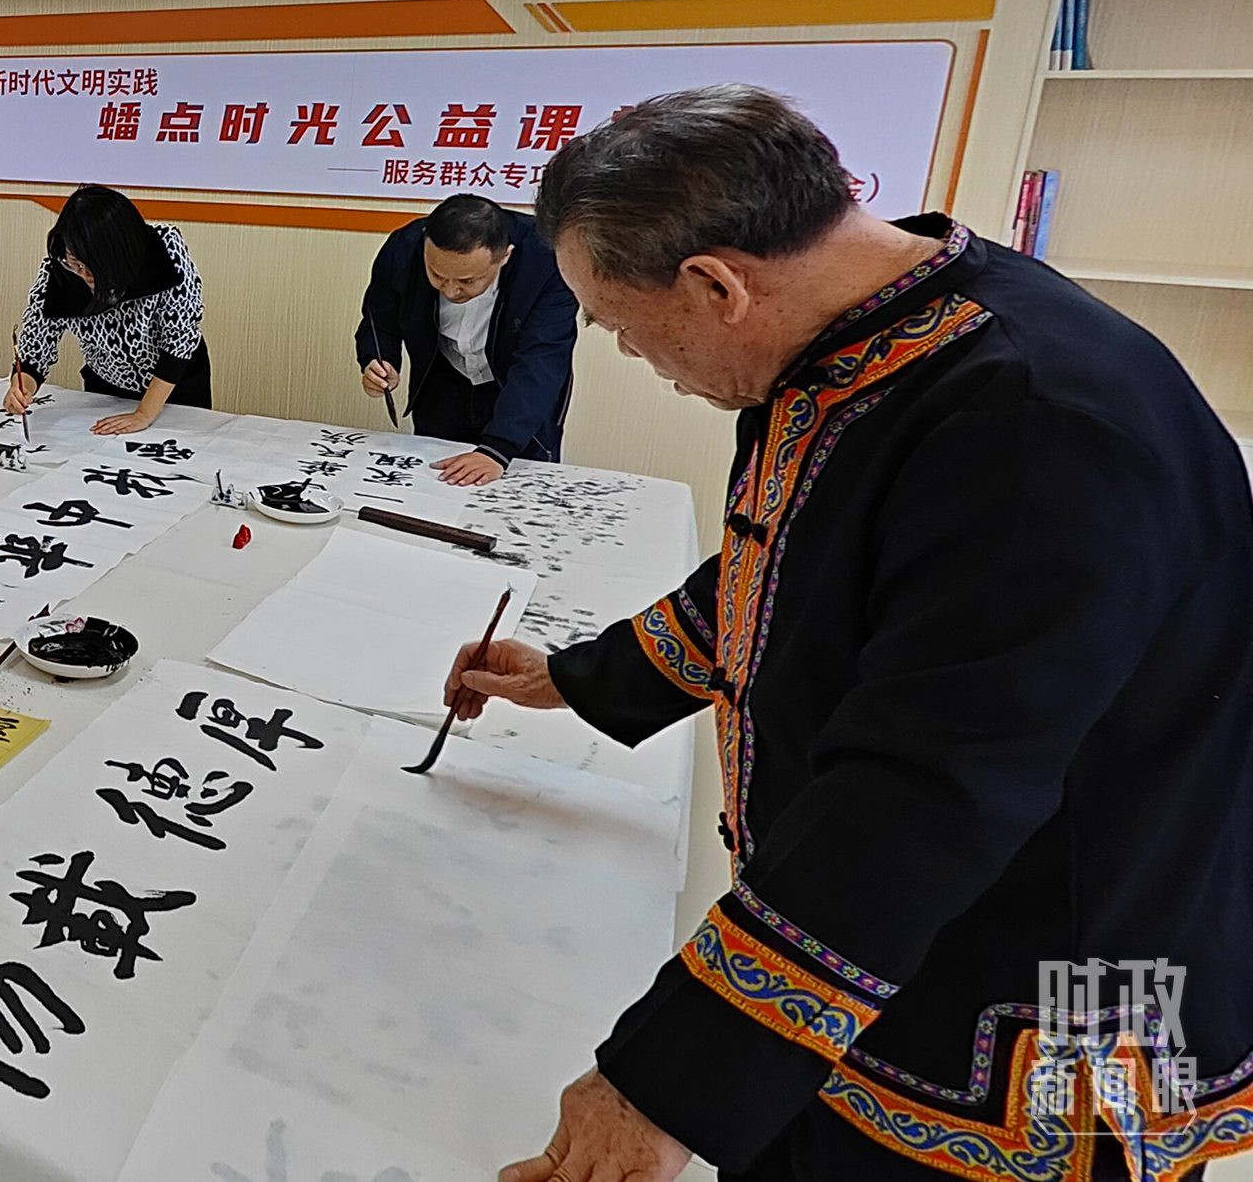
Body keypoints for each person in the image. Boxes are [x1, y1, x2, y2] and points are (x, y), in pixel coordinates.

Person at [442, 87, 1253, 1182]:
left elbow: (921, 790)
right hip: (882, 935)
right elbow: (798, 569)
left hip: (1042, 971)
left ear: (715, 284)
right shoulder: (890, 331)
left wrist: (663, 1082)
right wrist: (580, 678)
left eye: (619, 327)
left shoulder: (1031, 422)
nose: (632, 355)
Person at [356, 191, 579, 486]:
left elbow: (543, 359)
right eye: (437, 275)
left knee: (513, 487)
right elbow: (379, 314)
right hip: (443, 380)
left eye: (467, 281)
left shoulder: (548, 259)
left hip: (517, 387)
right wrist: (377, 358)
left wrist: (497, 450)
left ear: (505, 256)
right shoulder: (404, 246)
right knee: (433, 480)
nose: (450, 291)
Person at [5, 185, 208, 435]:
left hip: (173, 385)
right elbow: (36, 347)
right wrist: (22, 387)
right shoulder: (59, 270)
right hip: (106, 386)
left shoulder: (163, 249)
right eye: (77, 264)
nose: (85, 275)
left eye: (94, 267)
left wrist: (144, 414)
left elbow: (180, 339)